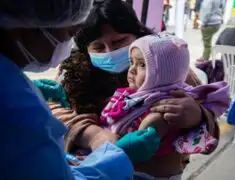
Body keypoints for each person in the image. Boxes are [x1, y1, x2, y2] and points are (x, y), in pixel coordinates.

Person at [35, 0, 222, 178]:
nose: (110, 52)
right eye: (98, 47)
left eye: (119, 42)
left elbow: (209, 135)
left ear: (138, 34)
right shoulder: (72, 73)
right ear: (85, 50)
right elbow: (53, 110)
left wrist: (197, 116)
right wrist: (93, 135)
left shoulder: (171, 70)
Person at [0, 0, 135, 179]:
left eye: (119, 41)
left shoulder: (12, 86)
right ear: (23, 28)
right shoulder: (14, 104)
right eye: (69, 33)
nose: (109, 52)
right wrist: (95, 138)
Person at [99, 33, 229, 178]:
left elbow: (140, 147)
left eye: (142, 64)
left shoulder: (165, 108)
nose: (131, 69)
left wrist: (199, 116)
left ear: (163, 72)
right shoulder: (140, 94)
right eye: (132, 62)